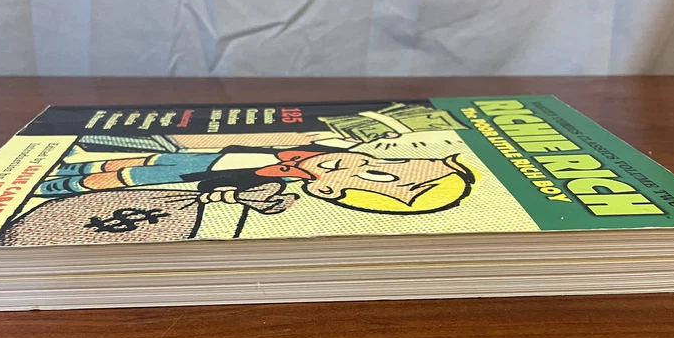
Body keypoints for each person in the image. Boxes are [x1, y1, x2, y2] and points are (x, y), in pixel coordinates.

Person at [36, 140, 478, 215]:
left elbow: (263, 199)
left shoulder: (278, 186)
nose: (360, 165)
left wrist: (232, 196)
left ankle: (64, 185)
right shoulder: (318, 147)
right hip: (208, 156)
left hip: (200, 173)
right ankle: (74, 169)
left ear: (327, 190)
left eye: (374, 177)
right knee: (148, 159)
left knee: (136, 176)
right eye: (371, 163)